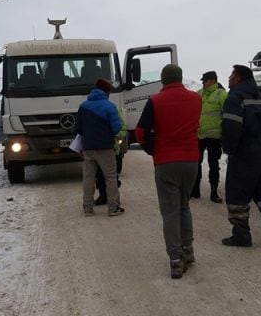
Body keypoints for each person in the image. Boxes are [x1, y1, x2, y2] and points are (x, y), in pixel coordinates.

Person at [136, 64, 202, 279]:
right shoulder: (196, 99)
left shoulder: (155, 101)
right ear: (181, 78)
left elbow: (140, 132)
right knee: (184, 206)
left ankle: (175, 259)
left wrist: (152, 150)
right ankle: (188, 250)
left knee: (170, 211)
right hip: (191, 160)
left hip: (166, 162)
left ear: (163, 80)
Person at [220, 64, 261, 247]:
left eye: (231, 75)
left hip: (243, 156)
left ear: (238, 78)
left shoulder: (235, 98)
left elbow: (231, 128)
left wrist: (230, 150)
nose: (228, 79)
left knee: (236, 196)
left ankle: (241, 235)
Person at [74, 79, 124, 217]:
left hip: (88, 147)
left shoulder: (83, 106)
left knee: (89, 177)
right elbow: (116, 128)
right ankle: (113, 208)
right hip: (105, 148)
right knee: (110, 177)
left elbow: (77, 128)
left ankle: (88, 208)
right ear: (106, 92)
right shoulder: (110, 107)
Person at [192, 70, 227, 203]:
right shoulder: (199, 93)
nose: (204, 83)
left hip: (214, 136)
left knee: (214, 164)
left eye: (205, 81)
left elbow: (226, 114)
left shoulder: (222, 94)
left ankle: (214, 192)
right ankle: (195, 190)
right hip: (200, 135)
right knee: (196, 163)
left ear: (212, 81)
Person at [94, 105, 127, 206]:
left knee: (108, 174)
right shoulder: (111, 109)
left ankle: (109, 197)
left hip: (108, 148)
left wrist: (116, 137)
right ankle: (106, 197)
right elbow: (123, 128)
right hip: (104, 148)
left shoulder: (111, 110)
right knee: (103, 174)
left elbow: (122, 128)